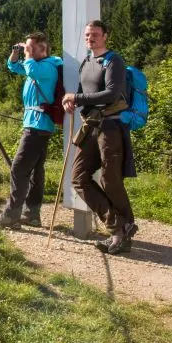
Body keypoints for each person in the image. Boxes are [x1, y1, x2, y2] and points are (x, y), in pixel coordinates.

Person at [63, 19, 138, 255]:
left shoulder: (114, 61)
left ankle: (119, 232)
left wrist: (77, 98)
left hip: (111, 128)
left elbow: (112, 94)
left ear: (105, 36)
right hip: (92, 126)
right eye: (87, 35)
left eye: (95, 34)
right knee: (79, 178)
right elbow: (84, 93)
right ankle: (120, 225)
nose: (90, 38)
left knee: (110, 179)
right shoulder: (87, 62)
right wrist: (72, 102)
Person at [0, 32, 62, 228]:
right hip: (37, 125)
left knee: (19, 169)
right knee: (35, 173)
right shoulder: (38, 66)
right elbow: (13, 66)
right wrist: (16, 53)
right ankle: (32, 215)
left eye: (31, 48)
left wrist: (28, 54)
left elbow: (30, 69)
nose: (27, 51)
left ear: (43, 49)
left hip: (37, 126)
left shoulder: (47, 67)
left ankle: (11, 215)